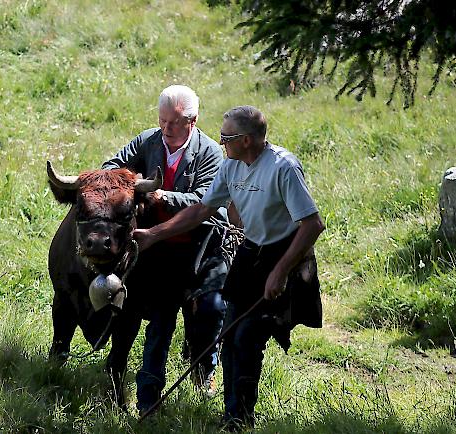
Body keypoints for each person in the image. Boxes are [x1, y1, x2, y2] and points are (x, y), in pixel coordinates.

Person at [134, 105, 325, 429]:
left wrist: (279, 271)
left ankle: (241, 418)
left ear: (247, 140)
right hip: (250, 253)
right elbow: (201, 210)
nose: (220, 142)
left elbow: (312, 225)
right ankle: (231, 413)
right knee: (229, 335)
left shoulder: (284, 167)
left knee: (247, 337)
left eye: (226, 137)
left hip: (285, 255)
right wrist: (153, 235)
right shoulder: (231, 166)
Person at [101, 85, 229, 414]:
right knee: (157, 321)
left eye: (174, 122)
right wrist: (125, 181)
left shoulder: (210, 153)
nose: (166, 129)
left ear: (193, 120)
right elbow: (111, 166)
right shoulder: (149, 140)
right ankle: (146, 399)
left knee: (210, 313)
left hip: (198, 250)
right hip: (154, 250)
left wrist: (164, 197)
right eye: (162, 121)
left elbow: (206, 201)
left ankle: (205, 366)